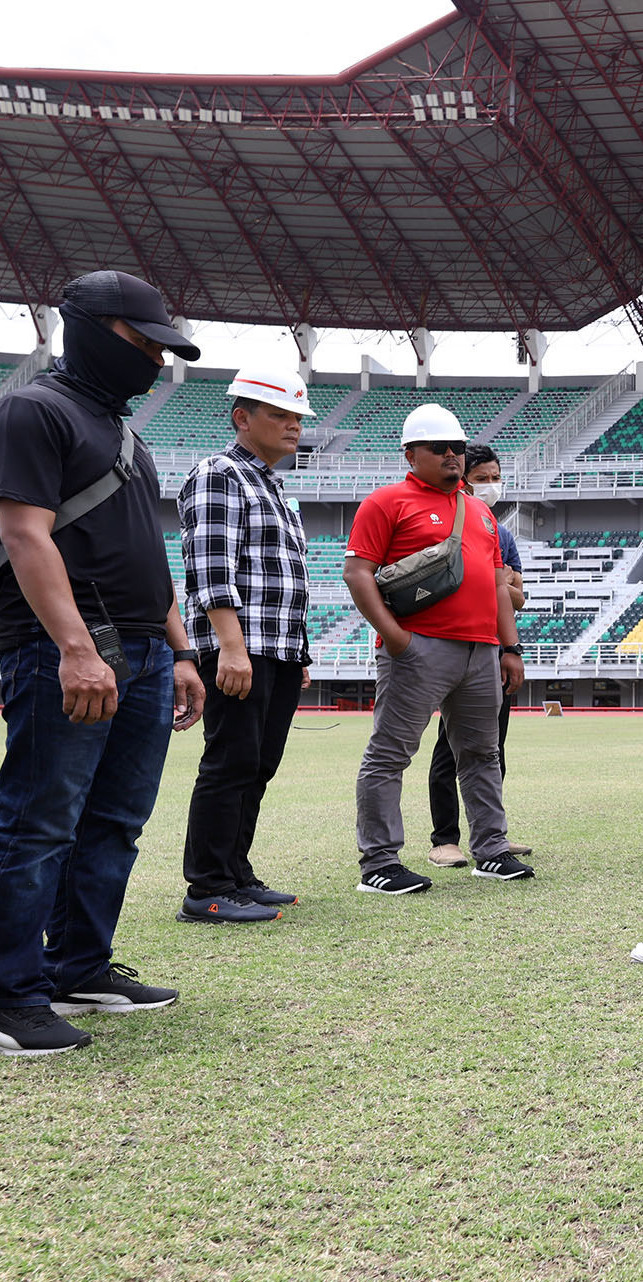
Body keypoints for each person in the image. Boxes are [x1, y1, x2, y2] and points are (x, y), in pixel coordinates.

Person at [0, 270, 206, 1057]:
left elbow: (147, 553)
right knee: (37, 822)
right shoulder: (30, 411)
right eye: (145, 343)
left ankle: (77, 966)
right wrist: (72, 646)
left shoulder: (128, 433)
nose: (157, 362)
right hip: (70, 640)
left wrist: (181, 647)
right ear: (93, 329)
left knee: (115, 822)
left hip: (143, 645)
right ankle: (0, 998)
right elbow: (27, 535)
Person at [342, 403, 531, 895]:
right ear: (411, 453)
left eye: (458, 448)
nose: (452, 455)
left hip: (481, 650)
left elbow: (494, 586)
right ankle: (379, 862)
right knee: (390, 754)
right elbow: (357, 573)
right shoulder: (386, 502)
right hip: (419, 648)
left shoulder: (482, 513)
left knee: (482, 753)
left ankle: (491, 848)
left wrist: (510, 647)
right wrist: (399, 639)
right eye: (439, 448)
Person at [175, 368, 319, 926]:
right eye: (280, 416)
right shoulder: (219, 473)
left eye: (297, 418)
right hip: (241, 647)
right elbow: (211, 569)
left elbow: (285, 579)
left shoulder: (271, 485)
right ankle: (206, 887)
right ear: (243, 418)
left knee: (258, 764)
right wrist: (231, 649)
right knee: (230, 761)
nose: (293, 427)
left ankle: (236, 874)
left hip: (275, 649)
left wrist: (297, 654)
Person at [427, 443, 532, 869]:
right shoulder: (444, 522)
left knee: (492, 748)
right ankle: (444, 838)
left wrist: (496, 585)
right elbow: (451, 583)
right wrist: (495, 582)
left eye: (495, 476)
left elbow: (518, 597)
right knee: (447, 749)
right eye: (482, 477)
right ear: (463, 477)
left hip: (493, 647)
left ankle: (490, 835)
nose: (490, 485)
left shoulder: (499, 531)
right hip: (452, 645)